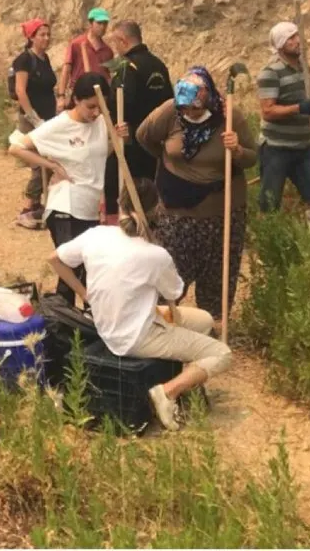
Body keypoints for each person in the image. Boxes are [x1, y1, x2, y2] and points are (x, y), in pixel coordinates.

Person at [48, 179, 232, 432]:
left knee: (204, 320)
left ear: (119, 205)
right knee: (221, 353)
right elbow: (175, 292)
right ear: (159, 212)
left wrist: (84, 293)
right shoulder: (154, 254)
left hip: (108, 322)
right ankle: (167, 392)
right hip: (134, 337)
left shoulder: (97, 234)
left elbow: (55, 259)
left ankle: (186, 382)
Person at [136, 67, 257, 321]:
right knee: (172, 270)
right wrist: (168, 160)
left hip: (223, 212)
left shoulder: (229, 115)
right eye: (185, 109)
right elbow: (144, 136)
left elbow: (253, 158)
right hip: (176, 211)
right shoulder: (171, 111)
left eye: (195, 109)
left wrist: (236, 151)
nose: (189, 113)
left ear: (208, 99)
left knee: (218, 273)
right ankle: (163, 323)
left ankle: (210, 324)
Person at [10, 73, 126, 305]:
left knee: (87, 268)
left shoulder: (102, 122)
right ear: (76, 100)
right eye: (90, 107)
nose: (95, 113)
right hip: (65, 207)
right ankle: (65, 324)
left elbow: (101, 155)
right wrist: (52, 166)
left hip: (90, 208)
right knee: (71, 269)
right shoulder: (61, 125)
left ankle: (78, 324)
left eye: (100, 107)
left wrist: (116, 139)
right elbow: (16, 148)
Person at [104, 19, 173, 220]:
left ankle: (121, 227)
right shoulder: (159, 65)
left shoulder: (126, 67)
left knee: (116, 185)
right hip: (156, 141)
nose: (115, 49)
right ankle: (148, 225)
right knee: (149, 189)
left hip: (130, 139)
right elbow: (169, 102)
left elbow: (119, 104)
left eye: (115, 43)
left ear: (123, 40)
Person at [257, 21, 310, 211]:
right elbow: (268, 111)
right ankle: (269, 238)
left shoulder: (304, 68)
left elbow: (307, 107)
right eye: (291, 38)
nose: (297, 41)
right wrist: (299, 108)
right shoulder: (270, 72)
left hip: (304, 147)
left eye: (297, 36)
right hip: (276, 149)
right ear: (281, 43)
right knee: (270, 203)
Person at [12, 18, 57, 229]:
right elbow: (21, 91)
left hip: (48, 118)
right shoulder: (24, 60)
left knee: (48, 161)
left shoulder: (45, 58)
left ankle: (37, 204)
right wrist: (33, 118)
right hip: (33, 121)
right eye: (42, 35)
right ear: (31, 37)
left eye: (48, 35)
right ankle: (27, 208)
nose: (46, 39)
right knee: (39, 163)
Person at [56, 8, 113, 113]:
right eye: (99, 23)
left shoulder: (107, 50)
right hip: (79, 95)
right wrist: (61, 96)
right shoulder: (77, 44)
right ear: (91, 23)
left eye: (105, 23)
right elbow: (66, 69)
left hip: (98, 98)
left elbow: (108, 76)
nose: (103, 27)